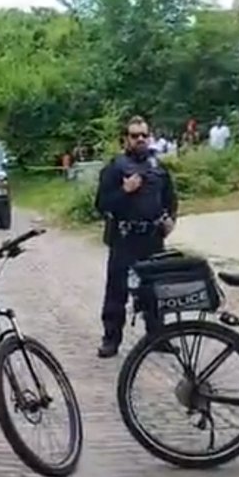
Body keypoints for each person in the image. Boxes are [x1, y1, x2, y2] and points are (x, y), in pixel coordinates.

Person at [94, 116, 178, 358]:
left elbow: (170, 199)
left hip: (152, 237)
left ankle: (157, 336)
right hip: (124, 237)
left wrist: (171, 219)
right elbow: (101, 204)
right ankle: (111, 339)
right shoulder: (115, 167)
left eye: (144, 135)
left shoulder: (158, 167)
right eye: (135, 135)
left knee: (155, 290)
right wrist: (124, 191)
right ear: (125, 139)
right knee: (116, 291)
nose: (140, 139)